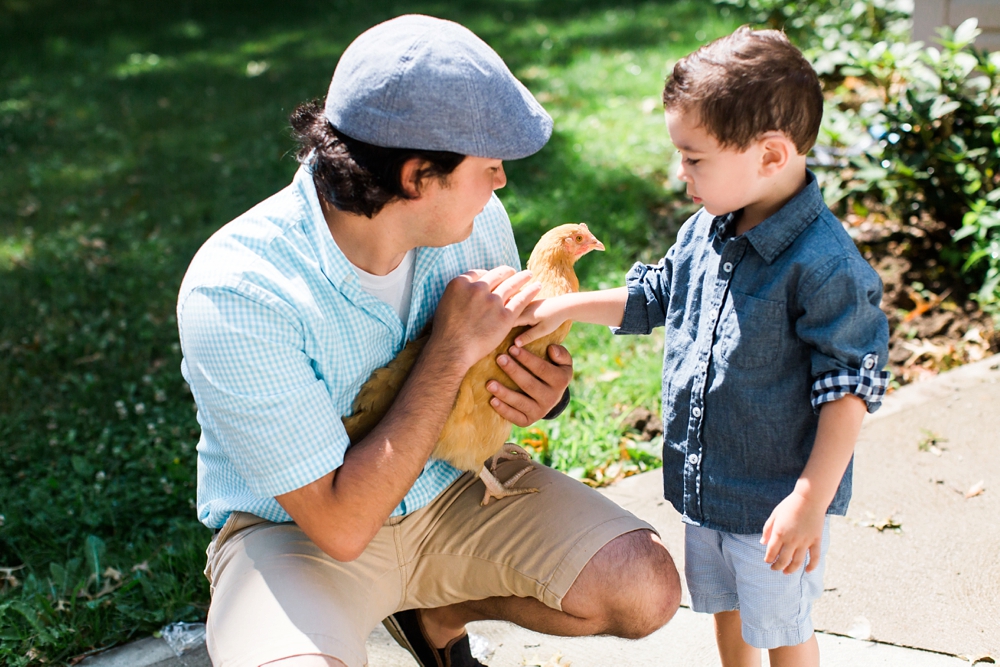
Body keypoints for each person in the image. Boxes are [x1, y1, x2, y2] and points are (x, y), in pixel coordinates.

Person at [176, 14, 680, 667]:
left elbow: (507, 367)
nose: (501, 183)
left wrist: (542, 392)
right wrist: (450, 348)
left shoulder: (476, 221)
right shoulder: (241, 291)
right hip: (300, 533)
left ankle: (434, 614)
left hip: (453, 487)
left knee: (646, 587)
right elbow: (340, 522)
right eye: (490, 165)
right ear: (417, 176)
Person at [514, 27, 890, 667]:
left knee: (782, 626)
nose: (679, 172)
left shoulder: (825, 267)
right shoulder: (704, 231)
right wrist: (564, 304)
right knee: (726, 609)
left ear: (771, 156)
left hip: (776, 499)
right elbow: (656, 296)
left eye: (694, 159)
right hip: (707, 487)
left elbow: (848, 389)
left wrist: (809, 500)